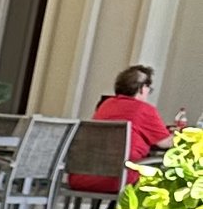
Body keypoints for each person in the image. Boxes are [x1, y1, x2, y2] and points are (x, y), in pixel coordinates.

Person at [68, 64, 183, 197]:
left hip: (83, 176)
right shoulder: (144, 109)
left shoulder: (106, 105)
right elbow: (166, 143)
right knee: (162, 184)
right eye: (148, 88)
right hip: (120, 178)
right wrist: (184, 134)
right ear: (141, 88)